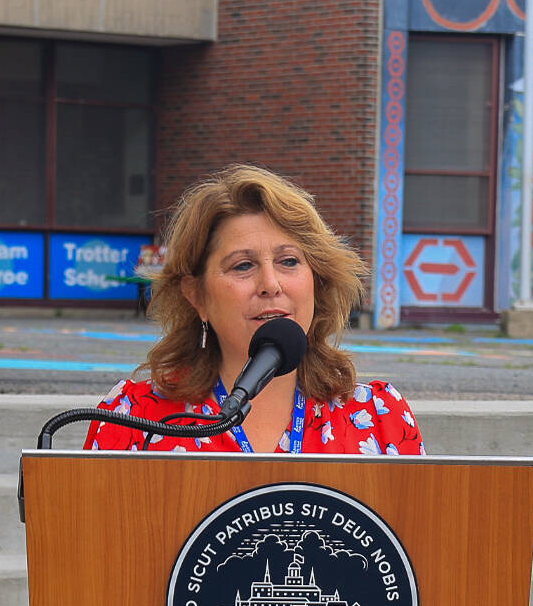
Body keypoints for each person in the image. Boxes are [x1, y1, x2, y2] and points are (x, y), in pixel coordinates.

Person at [85, 164, 422, 456]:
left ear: (317, 283)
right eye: (243, 266)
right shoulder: (132, 417)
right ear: (196, 296)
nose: (270, 284)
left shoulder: (380, 416)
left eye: (289, 261)